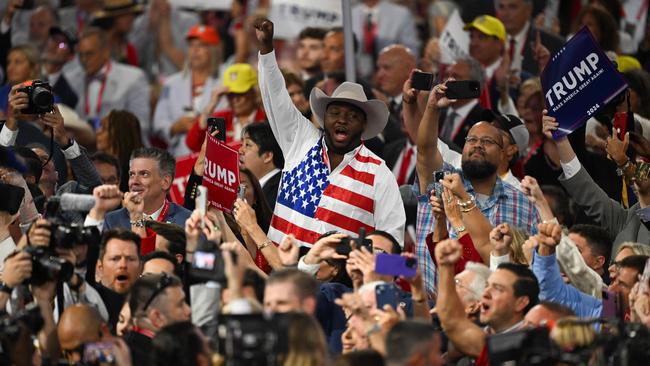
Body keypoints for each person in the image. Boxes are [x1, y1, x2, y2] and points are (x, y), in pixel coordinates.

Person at [255, 18, 406, 248]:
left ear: (365, 126)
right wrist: (266, 51)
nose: (342, 120)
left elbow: (393, 244)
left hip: (336, 284)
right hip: (275, 275)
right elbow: (275, 96)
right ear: (323, 117)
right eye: (335, 112)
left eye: (353, 116)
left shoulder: (379, 174)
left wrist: (364, 275)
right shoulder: (301, 139)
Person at [415, 81, 540, 293]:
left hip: (493, 309)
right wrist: (432, 107)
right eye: (471, 139)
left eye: (488, 141)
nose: (478, 144)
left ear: (503, 153)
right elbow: (426, 148)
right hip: (431, 309)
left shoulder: (523, 204)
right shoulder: (441, 181)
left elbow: (532, 265)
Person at [435, 238, 539, 362]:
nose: (485, 293)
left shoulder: (535, 344)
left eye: (498, 289)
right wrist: (445, 266)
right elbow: (451, 320)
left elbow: (451, 321)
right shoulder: (483, 337)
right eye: (487, 286)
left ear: (520, 303)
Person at [85, 147, 192, 255]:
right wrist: (97, 211)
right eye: (132, 174)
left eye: (144, 174)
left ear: (165, 182)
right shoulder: (111, 221)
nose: (134, 182)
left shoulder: (187, 221)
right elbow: (89, 259)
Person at [65, 27, 150, 137]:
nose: (84, 60)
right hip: (80, 149)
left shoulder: (133, 78)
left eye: (89, 54)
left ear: (105, 52)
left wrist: (101, 138)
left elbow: (141, 125)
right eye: (80, 55)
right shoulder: (70, 80)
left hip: (122, 149)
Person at [153, 24, 223, 157]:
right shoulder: (171, 83)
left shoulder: (224, 82)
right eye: (191, 45)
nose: (195, 50)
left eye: (202, 45)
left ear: (214, 51)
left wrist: (201, 125)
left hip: (214, 156)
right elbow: (158, 122)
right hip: (180, 155)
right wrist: (175, 127)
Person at [185, 62, 267, 151]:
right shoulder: (221, 119)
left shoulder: (266, 119)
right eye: (230, 94)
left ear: (254, 92)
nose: (235, 100)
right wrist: (211, 105)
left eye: (240, 93)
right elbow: (193, 144)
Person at [124, 272, 191, 365]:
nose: (189, 310)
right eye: (180, 304)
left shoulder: (125, 348)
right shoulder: (160, 360)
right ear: (157, 318)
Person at [351, 0, 421, 79]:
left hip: (391, 79)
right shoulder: (350, 14)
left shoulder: (401, 14)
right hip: (356, 76)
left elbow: (411, 53)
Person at [495, 0, 564, 75]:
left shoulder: (554, 44)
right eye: (501, 7)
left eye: (512, 7)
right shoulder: (488, 40)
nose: (505, 14)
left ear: (528, 10)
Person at [57, 304, 132, 366]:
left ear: (104, 331)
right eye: (68, 353)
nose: (75, 360)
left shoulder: (136, 355)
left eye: (81, 349)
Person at [374, 45, 416, 144]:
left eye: (386, 68)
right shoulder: (376, 99)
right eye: (378, 68)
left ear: (409, 70)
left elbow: (407, 141)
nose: (379, 75)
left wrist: (384, 114)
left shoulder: (419, 103)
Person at [95, 110, 144, 193]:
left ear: (120, 133)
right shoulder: (95, 164)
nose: (97, 132)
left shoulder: (135, 174)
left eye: (104, 128)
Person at [239, 122, 284, 211]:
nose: (240, 150)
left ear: (267, 156)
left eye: (247, 145)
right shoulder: (253, 187)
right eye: (242, 144)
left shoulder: (281, 189)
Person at [90, 0, 143, 66]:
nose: (131, 18)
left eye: (132, 14)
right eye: (125, 15)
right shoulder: (94, 45)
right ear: (112, 18)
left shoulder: (128, 49)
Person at [42, 26, 78, 110]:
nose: (54, 45)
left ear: (70, 56)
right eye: (53, 39)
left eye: (62, 44)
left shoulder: (69, 97)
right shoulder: (24, 71)